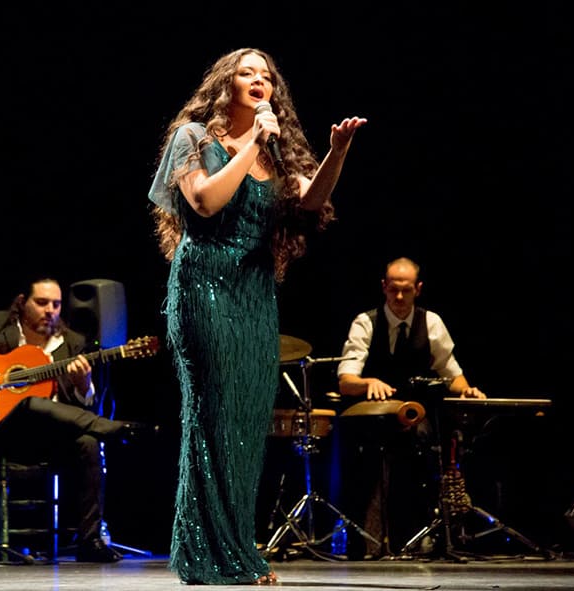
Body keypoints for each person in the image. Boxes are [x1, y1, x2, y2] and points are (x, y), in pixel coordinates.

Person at [148, 47, 366, 585]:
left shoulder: (278, 155)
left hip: (254, 296)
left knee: (245, 427)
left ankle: (237, 550)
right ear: (225, 83)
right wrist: (253, 142)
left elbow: (309, 206)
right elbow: (204, 202)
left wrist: (337, 153)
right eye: (247, 73)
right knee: (212, 420)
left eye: (266, 76)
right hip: (204, 289)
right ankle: (205, 553)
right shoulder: (194, 138)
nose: (258, 81)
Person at [0, 277, 154, 563]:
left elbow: (83, 403)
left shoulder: (73, 344)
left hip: (55, 437)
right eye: (41, 303)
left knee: (88, 442)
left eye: (56, 304)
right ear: (22, 303)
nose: (50, 310)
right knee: (28, 402)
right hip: (6, 436)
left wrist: (83, 385)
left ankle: (89, 541)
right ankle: (113, 429)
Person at [335, 256, 486, 558]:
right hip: (372, 421)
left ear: (418, 288)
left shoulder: (431, 323)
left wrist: (467, 390)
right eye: (393, 290)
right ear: (384, 287)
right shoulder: (366, 322)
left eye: (406, 290)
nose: (400, 297)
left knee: (429, 444)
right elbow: (345, 379)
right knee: (364, 455)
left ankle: (421, 533)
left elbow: (451, 373)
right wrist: (367, 383)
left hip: (416, 417)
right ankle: (367, 539)